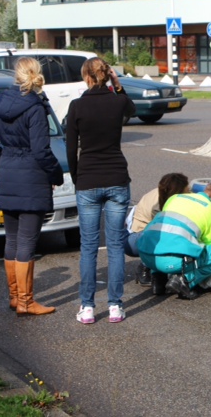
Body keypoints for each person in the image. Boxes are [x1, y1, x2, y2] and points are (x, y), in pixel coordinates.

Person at [0, 57, 64, 316]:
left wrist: (4, 160)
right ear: (37, 75)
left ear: (15, 75)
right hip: (32, 178)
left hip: (8, 174)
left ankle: (16, 297)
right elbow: (41, 150)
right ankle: (27, 302)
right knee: (27, 241)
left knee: (12, 240)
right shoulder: (36, 107)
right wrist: (56, 175)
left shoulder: (0, 102)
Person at [66, 57, 135, 324]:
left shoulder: (77, 106)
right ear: (107, 76)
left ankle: (87, 307)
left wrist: (77, 178)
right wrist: (118, 85)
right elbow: (132, 109)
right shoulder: (117, 102)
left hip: (88, 180)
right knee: (116, 244)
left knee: (89, 246)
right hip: (117, 177)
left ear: (86, 77)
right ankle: (116, 305)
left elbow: (71, 149)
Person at [137, 180, 211, 300]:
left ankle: (158, 279)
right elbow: (209, 247)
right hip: (171, 262)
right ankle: (184, 281)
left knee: (166, 241)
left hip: (145, 255)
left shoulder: (175, 198)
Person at [124, 172, 189, 285]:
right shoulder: (158, 206)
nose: (189, 192)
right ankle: (146, 265)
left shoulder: (168, 194)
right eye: (187, 190)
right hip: (138, 237)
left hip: (150, 233)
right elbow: (164, 233)